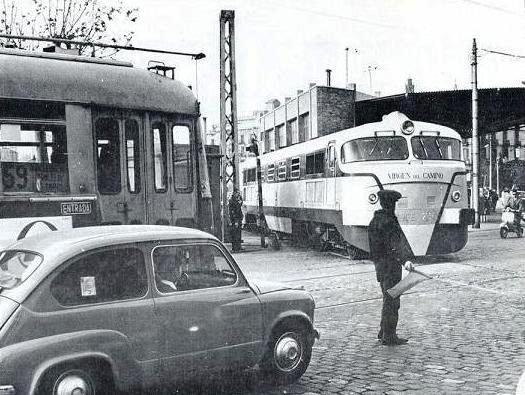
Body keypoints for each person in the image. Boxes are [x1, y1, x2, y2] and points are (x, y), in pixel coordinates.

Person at [368, 189, 414, 346]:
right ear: (391, 204)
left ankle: (383, 331)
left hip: (380, 267)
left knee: (387, 298)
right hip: (391, 267)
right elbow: (395, 245)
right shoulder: (389, 222)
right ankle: (389, 335)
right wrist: (405, 261)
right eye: (394, 203)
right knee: (392, 301)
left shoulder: (375, 221)